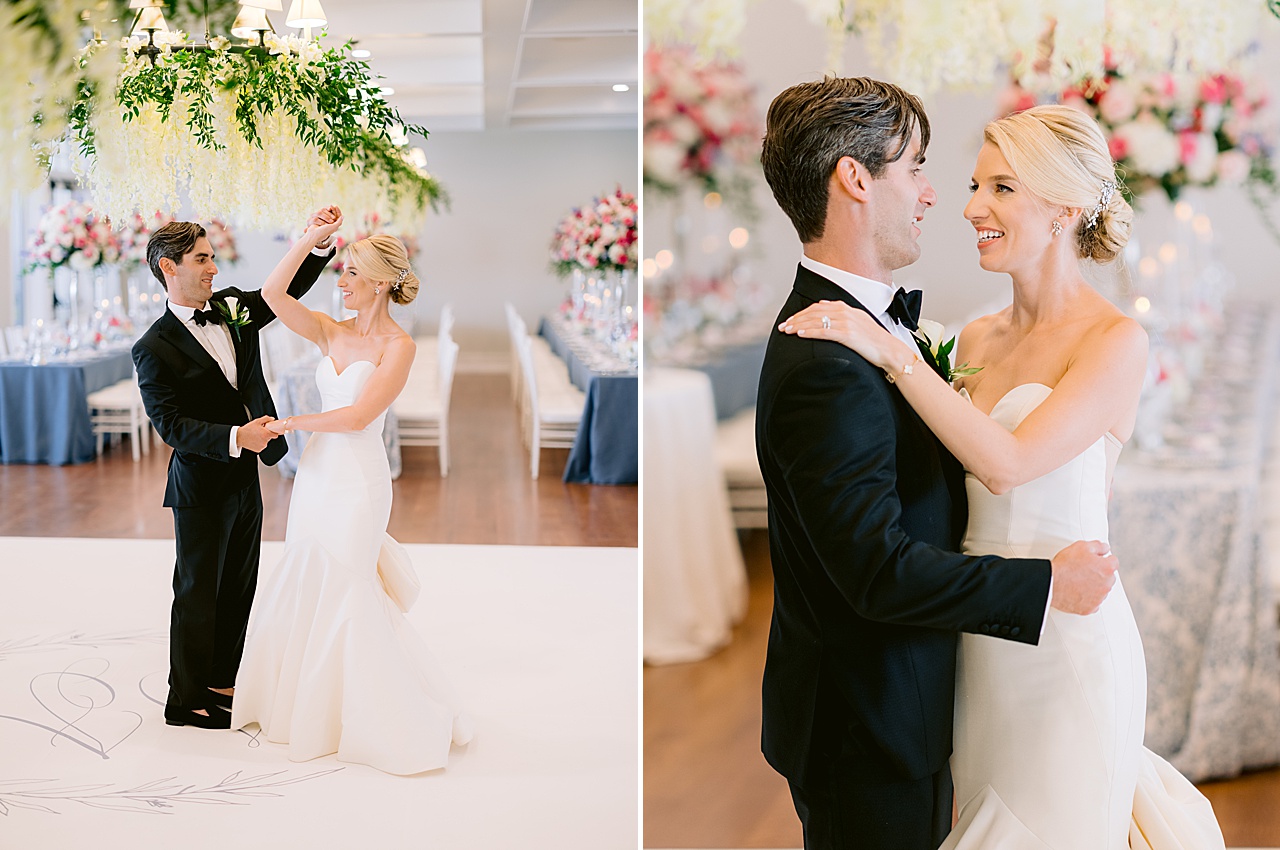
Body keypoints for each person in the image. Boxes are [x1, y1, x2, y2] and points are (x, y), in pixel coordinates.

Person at [779, 104, 1225, 847]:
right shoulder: (975, 335)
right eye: (975, 185)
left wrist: (897, 358)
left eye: (1002, 189)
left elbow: (1006, 464)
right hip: (976, 641)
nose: (970, 207)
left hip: (1065, 642)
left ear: (1064, 209)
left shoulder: (1115, 341)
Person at [229, 224, 472, 775]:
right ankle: (304, 705)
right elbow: (271, 295)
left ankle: (367, 712)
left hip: (358, 479)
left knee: (348, 582)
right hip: (316, 474)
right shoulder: (328, 330)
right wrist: (311, 240)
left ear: (382, 283)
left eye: (352, 272)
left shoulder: (398, 347)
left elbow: (360, 417)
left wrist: (288, 422)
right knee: (308, 573)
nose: (342, 280)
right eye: (343, 270)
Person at [133, 208, 337, 730]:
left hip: (246, 475)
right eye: (202, 260)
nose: (213, 269)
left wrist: (315, 246)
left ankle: (224, 680)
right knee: (198, 590)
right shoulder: (152, 347)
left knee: (240, 584)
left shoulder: (229, 308)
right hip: (200, 485)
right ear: (168, 268)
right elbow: (171, 425)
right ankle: (185, 699)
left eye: (211, 258)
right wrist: (233, 437)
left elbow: (280, 293)